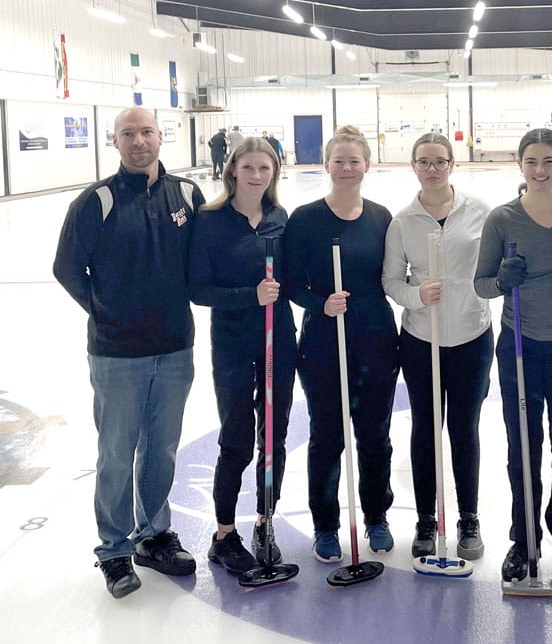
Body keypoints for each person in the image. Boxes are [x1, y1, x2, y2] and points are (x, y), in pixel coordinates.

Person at [53, 107, 203, 599]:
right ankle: (114, 549)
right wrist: (106, 313)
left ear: (161, 137)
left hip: (175, 346)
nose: (138, 141)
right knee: (117, 453)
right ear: (114, 141)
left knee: (159, 447)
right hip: (118, 353)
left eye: (146, 132)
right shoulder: (96, 201)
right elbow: (68, 267)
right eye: (128, 134)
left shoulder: (186, 194)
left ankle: (154, 535)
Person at [474, 127, 552, 586]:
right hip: (520, 345)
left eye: (550, 161)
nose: (541, 170)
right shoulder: (503, 219)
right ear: (520, 165)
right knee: (522, 447)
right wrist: (503, 282)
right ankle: (523, 539)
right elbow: (481, 284)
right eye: (533, 161)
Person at [283, 125, 399, 563]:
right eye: (339, 160)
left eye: (355, 160)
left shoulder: (382, 217)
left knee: (374, 436)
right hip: (322, 342)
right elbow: (292, 283)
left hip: (376, 339)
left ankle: (376, 517)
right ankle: (326, 525)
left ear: (367, 165)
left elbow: (392, 276)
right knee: (327, 436)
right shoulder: (306, 218)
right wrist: (320, 302)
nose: (347, 168)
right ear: (326, 165)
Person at [382, 133, 493, 560]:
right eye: (424, 162)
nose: (432, 168)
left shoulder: (479, 212)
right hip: (420, 338)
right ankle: (426, 519)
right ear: (413, 166)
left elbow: (491, 271)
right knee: (426, 430)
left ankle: (469, 519)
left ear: (452, 165)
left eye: (440, 161)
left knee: (465, 429)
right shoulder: (403, 221)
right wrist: (415, 296)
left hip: (471, 336)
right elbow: (391, 280)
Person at [189, 137, 297, 575]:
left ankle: (264, 521)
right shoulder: (210, 221)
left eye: (265, 169)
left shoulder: (279, 218)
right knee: (236, 437)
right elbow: (198, 288)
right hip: (233, 341)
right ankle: (224, 534)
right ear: (232, 169)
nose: (256, 175)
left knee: (274, 435)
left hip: (279, 339)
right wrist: (248, 296)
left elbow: (289, 278)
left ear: (273, 174)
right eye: (248, 167)